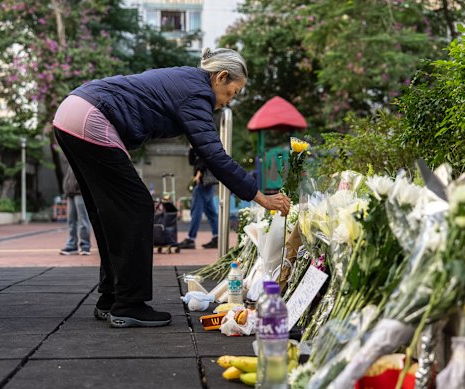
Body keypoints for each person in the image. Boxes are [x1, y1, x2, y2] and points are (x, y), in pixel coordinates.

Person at [52, 47, 290, 328]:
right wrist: (259, 196)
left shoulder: (186, 80)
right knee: (136, 206)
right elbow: (214, 154)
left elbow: (206, 150)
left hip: (72, 111)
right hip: (92, 116)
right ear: (221, 77)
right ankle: (128, 304)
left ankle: (111, 298)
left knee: (110, 212)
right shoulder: (197, 94)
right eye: (232, 93)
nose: (227, 103)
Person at [178, 147, 219, 250]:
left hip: (202, 183)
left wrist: (198, 174)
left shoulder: (202, 143)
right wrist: (191, 149)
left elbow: (204, 161)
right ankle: (217, 237)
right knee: (211, 213)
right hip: (208, 185)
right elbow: (192, 162)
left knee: (196, 211)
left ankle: (190, 239)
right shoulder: (201, 144)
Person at [59, 165, 91, 256]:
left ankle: (85, 246)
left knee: (83, 220)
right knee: (71, 221)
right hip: (70, 192)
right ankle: (72, 245)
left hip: (80, 192)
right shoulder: (70, 159)